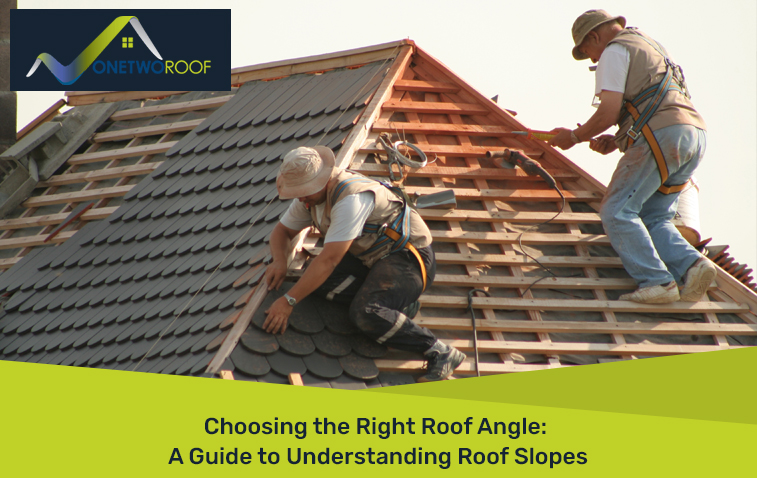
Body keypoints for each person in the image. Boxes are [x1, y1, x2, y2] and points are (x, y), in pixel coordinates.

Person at [548, 9, 717, 304]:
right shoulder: (647, 44)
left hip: (662, 136)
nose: (592, 59)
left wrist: (574, 137)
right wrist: (617, 140)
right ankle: (692, 264)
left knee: (616, 210)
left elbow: (608, 111)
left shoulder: (614, 51)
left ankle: (657, 281)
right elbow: (649, 101)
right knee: (654, 215)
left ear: (594, 36)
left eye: (588, 51)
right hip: (692, 135)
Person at [263, 145, 465, 381]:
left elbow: (329, 260)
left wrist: (289, 301)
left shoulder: (351, 199)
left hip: (408, 257)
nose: (300, 197)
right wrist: (279, 260)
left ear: (321, 181)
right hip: (370, 258)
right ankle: (396, 306)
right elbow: (281, 232)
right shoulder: (309, 198)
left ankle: (439, 351)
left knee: (366, 312)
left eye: (304, 191)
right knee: (313, 279)